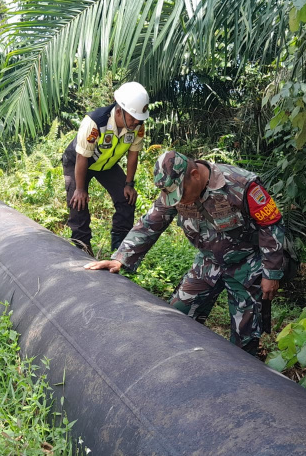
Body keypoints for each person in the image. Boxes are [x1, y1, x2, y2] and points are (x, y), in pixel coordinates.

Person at [85, 150, 288, 356]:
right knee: (177, 318)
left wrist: (271, 273)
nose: (178, 201)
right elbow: (150, 223)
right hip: (207, 263)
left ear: (195, 175)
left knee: (244, 340)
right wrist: (120, 258)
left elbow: (271, 225)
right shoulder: (174, 191)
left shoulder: (242, 185)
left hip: (246, 265)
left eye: (181, 194)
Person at [62, 82, 150, 255]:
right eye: (132, 118)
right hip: (79, 162)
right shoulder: (95, 122)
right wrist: (80, 189)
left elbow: (133, 155)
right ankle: (83, 251)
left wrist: (129, 184)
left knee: (127, 199)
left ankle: (120, 253)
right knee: (78, 202)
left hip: (106, 165)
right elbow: (82, 157)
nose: (135, 123)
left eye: (138, 119)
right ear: (119, 111)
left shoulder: (137, 126)